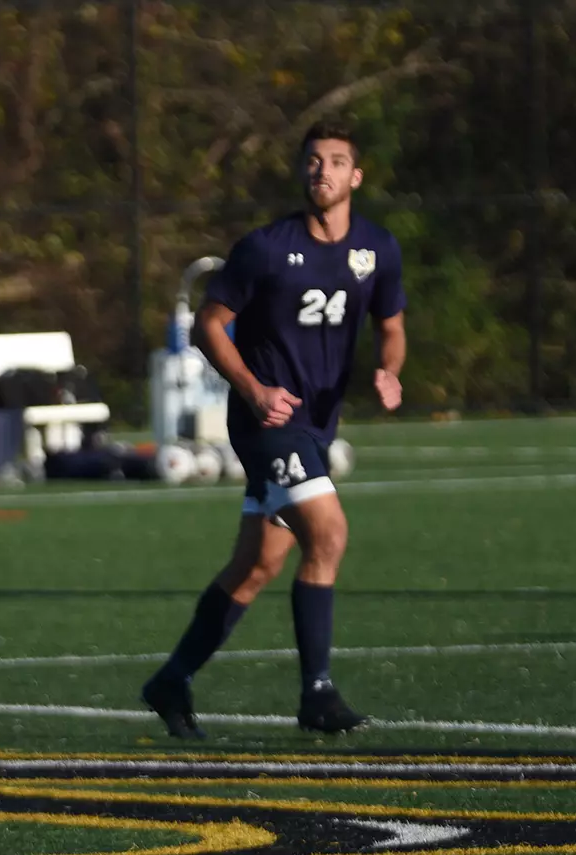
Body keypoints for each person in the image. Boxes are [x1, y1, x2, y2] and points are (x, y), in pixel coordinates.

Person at [139, 120, 406, 739]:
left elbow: (391, 323)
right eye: (313, 161)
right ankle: (317, 693)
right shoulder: (266, 246)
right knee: (329, 533)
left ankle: (171, 679)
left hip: (314, 425)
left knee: (257, 563)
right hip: (265, 424)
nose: (323, 172)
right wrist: (254, 390)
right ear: (302, 171)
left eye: (336, 162)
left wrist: (389, 370)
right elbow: (209, 323)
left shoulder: (377, 249)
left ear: (355, 176)